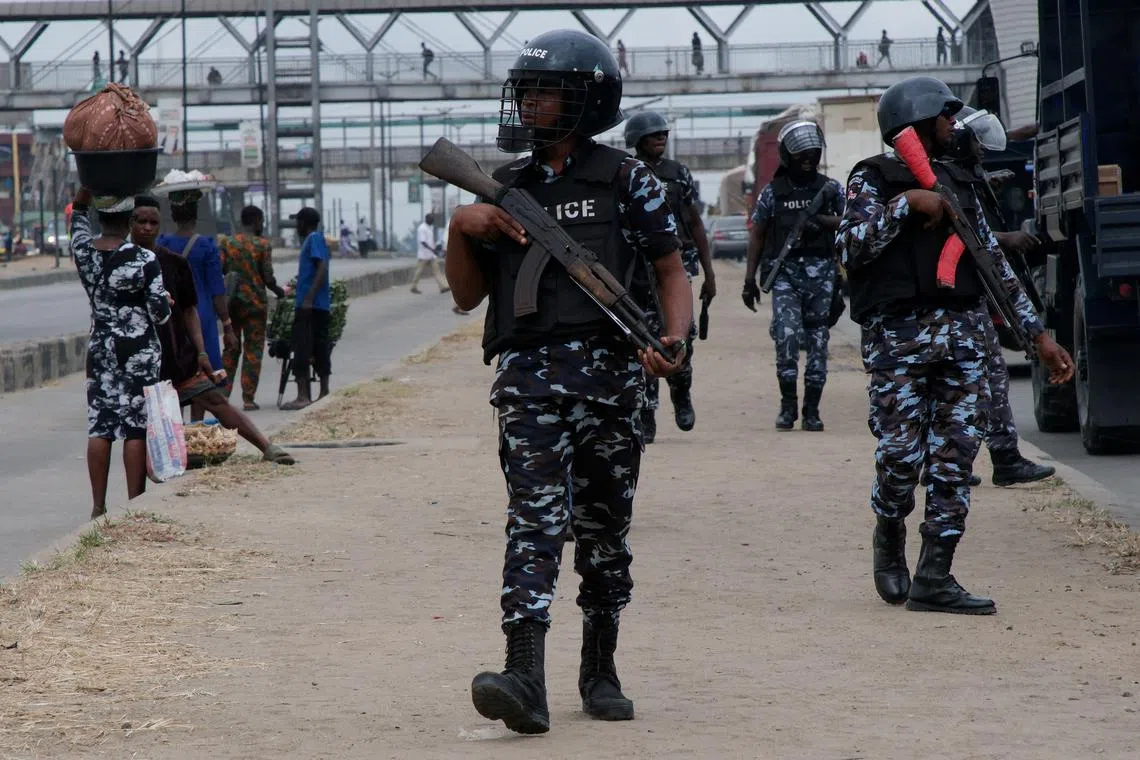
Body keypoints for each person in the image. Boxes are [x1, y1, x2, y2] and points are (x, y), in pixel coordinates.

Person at [445, 29, 691, 734]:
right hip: (527, 383)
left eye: (543, 90)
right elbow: (465, 297)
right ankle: (524, 675)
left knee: (604, 530)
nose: (528, 103)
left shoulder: (626, 180)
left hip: (612, 380)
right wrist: (464, 228)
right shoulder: (507, 190)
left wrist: (673, 340)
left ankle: (601, 664)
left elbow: (671, 271)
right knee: (534, 523)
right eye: (524, 90)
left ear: (587, 101)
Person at [837, 76, 1074, 615]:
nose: (953, 125)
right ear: (917, 122)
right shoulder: (873, 177)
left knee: (956, 457)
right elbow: (849, 245)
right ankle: (889, 530)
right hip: (899, 343)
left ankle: (935, 573)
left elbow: (992, 263)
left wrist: (1038, 336)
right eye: (944, 117)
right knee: (900, 456)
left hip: (964, 339)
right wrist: (906, 207)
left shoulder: (959, 181)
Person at [132, 197, 295, 464]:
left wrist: (202, 351)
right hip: (140, 357)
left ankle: (266, 447)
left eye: (153, 222)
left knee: (212, 398)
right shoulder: (122, 264)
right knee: (149, 418)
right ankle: (164, 464)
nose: (148, 228)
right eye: (142, 221)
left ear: (163, 224)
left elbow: (188, 310)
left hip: (176, 350)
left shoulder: (173, 261)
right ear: (130, 223)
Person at [948, 106, 1058, 486]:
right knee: (955, 389)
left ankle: (1003, 458)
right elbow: (958, 238)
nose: (983, 155)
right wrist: (1006, 238)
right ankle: (952, 465)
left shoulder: (962, 177)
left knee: (992, 376)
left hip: (971, 298)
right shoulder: (938, 179)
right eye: (978, 148)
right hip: (944, 305)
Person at [70, 190, 171, 519]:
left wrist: (85, 195)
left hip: (101, 348)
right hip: (138, 350)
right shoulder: (144, 260)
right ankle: (135, 504)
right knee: (135, 428)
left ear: (102, 219)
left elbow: (78, 219)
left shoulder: (84, 252)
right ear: (129, 222)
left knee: (100, 426)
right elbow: (159, 314)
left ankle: (98, 507)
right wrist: (164, 303)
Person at [743, 120, 844, 432]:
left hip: (823, 274)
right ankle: (788, 407)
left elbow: (851, 224)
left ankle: (811, 410)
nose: (808, 159)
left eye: (812, 154)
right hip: (785, 274)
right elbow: (758, 234)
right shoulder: (773, 193)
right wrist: (749, 280)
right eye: (801, 155)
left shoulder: (831, 189)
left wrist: (824, 222)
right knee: (786, 338)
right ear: (788, 156)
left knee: (818, 342)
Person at [624, 110, 716, 440]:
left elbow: (694, 223)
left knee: (681, 339)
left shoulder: (679, 174)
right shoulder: (626, 174)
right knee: (645, 340)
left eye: (663, 133)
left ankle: (681, 392)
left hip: (677, 267)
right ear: (636, 140)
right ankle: (647, 412)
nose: (660, 138)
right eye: (652, 134)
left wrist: (709, 274)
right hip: (638, 272)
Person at [158, 190, 237, 422]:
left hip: (172, 315)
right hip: (201, 318)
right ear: (196, 216)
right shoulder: (207, 246)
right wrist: (228, 325)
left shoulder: (163, 243)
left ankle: (177, 429)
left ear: (172, 215)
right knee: (202, 378)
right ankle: (197, 426)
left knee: (174, 375)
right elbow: (217, 291)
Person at [217, 205, 285, 411]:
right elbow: (268, 277)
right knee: (253, 352)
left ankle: (222, 395)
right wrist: (280, 291)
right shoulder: (262, 245)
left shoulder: (227, 243)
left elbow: (221, 269)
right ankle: (248, 398)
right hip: (255, 306)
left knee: (230, 348)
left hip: (232, 305)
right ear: (257, 221)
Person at [282, 207, 331, 410]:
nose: (296, 227)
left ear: (304, 223)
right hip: (313, 304)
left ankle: (304, 395)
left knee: (302, 347)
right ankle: (322, 392)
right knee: (319, 346)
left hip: (311, 306)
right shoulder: (313, 240)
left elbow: (322, 267)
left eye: (297, 222)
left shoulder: (314, 239)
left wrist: (309, 297)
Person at [411, 213, 451, 296]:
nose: (432, 221)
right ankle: (413, 286)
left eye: (433, 220)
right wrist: (432, 249)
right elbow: (423, 242)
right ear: (427, 219)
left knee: (437, 271)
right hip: (424, 254)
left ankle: (442, 287)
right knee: (419, 271)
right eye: (431, 220)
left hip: (431, 255)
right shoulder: (422, 228)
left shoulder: (429, 228)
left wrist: (433, 250)